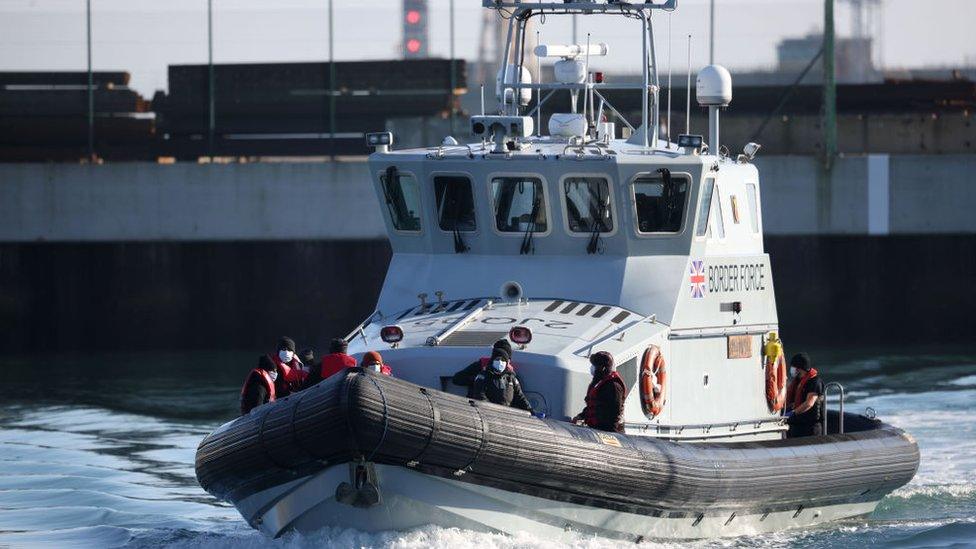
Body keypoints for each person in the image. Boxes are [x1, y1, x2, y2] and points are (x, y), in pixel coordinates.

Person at [573, 351, 626, 433]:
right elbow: (594, 405)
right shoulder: (600, 383)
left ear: (602, 368)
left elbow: (615, 412)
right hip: (596, 428)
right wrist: (581, 416)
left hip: (608, 430)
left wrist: (610, 433)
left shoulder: (613, 386)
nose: (592, 368)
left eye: (595, 365)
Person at [471, 347, 533, 412]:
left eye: (503, 360)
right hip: (488, 412)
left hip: (508, 412)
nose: (500, 362)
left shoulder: (511, 378)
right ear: (492, 360)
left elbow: (520, 397)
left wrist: (530, 410)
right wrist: (492, 409)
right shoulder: (483, 376)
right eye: (497, 359)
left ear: (506, 363)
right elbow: (480, 395)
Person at [785, 352, 825, 438]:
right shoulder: (797, 381)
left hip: (810, 427)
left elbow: (809, 403)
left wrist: (793, 413)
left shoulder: (815, 382)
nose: (791, 369)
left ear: (799, 369)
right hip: (796, 424)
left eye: (793, 367)